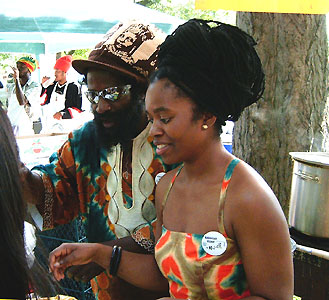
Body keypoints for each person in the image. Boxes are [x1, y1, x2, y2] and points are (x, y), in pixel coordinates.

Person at [49, 19, 294, 300]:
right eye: (152, 119)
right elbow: (166, 276)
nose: (153, 132)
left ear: (207, 115)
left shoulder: (249, 198)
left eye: (165, 119)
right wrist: (101, 254)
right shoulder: (167, 188)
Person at [21, 20, 172, 300]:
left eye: (112, 94)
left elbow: (185, 223)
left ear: (145, 90)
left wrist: (105, 254)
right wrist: (20, 176)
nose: (101, 107)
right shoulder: (86, 142)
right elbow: (54, 191)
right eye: (93, 95)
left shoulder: (173, 143)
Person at [40, 55, 82, 133]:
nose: (55, 73)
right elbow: (42, 102)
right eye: (55, 71)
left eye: (58, 71)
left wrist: (62, 113)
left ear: (65, 73)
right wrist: (43, 86)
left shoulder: (73, 87)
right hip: (52, 126)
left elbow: (78, 109)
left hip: (67, 127)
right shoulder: (52, 85)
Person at [6, 56, 42, 136]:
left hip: (24, 127)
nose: (18, 69)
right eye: (17, 66)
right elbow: (8, 106)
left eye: (22, 67)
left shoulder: (35, 86)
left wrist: (17, 80)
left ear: (29, 70)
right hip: (10, 125)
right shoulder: (12, 86)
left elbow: (22, 102)